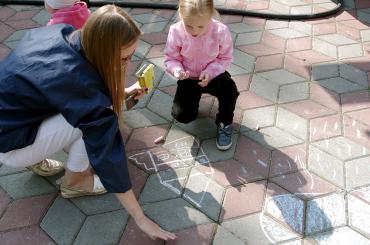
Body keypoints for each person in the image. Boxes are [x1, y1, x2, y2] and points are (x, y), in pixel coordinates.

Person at [0, 5, 176, 241]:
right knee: (102, 117)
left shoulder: (62, 32)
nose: (127, 63)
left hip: (13, 121)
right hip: (10, 145)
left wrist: (123, 91)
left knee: (95, 110)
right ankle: (75, 183)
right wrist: (140, 219)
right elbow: (106, 154)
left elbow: (59, 88)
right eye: (124, 58)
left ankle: (36, 158)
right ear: (103, 51)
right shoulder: (84, 89)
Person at [164, 0, 239, 151]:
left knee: (229, 89)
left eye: (200, 26)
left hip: (213, 75)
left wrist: (210, 72)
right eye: (189, 25)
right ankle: (192, 103)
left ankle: (225, 123)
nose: (194, 31)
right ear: (181, 15)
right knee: (182, 116)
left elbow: (225, 58)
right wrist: (177, 70)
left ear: (211, 16)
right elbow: (171, 58)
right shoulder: (176, 30)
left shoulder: (220, 31)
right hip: (188, 78)